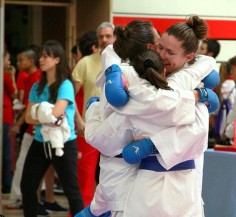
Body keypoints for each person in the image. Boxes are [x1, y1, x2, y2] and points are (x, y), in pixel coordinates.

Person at [81, 17, 218, 217]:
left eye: (170, 52)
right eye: (160, 47)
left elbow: (197, 131)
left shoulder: (188, 80)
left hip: (182, 183)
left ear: (189, 57)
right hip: (141, 183)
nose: (161, 54)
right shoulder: (137, 74)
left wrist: (151, 145)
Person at [21, 40, 84, 217]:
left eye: (46, 56)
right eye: (40, 56)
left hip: (64, 143)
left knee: (72, 191)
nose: (41, 59)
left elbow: (56, 113)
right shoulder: (36, 87)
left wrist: (40, 112)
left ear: (57, 60)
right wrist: (45, 114)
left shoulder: (66, 85)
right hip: (40, 141)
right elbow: (28, 117)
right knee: (28, 186)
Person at [7, 46, 67, 215]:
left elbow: (33, 109)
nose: (19, 64)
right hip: (38, 133)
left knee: (62, 180)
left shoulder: (45, 80)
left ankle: (35, 199)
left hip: (44, 134)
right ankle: (37, 200)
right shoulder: (35, 82)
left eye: (21, 60)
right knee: (33, 173)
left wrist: (22, 123)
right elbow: (29, 112)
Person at [72, 30, 106, 206]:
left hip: (115, 130)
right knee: (85, 178)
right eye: (101, 36)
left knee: (110, 179)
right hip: (89, 130)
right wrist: (78, 120)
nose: (105, 40)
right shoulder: (85, 63)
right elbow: (69, 95)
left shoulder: (126, 63)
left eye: (109, 36)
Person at [2, 49, 17, 195]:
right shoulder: (5, 76)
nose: (9, 62)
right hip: (5, 116)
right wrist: (12, 76)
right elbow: (14, 93)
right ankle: (7, 183)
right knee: (7, 151)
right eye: (7, 59)